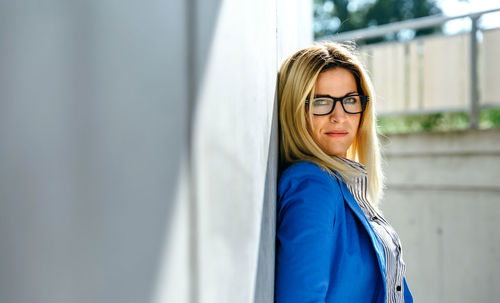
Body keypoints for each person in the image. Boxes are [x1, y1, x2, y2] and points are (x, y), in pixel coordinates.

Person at [275, 41, 413, 303]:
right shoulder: (313, 186)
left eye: (350, 100)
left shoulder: (343, 185)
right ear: (295, 109)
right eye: (321, 102)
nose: (339, 116)